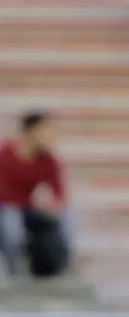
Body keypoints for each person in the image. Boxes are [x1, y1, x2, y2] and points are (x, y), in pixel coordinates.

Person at [0, 112, 71, 278]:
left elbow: (59, 191)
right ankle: (14, 271)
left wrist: (55, 205)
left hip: (28, 208)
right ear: (31, 131)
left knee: (67, 217)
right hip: (5, 207)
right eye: (47, 130)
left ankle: (61, 265)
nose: (51, 136)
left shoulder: (48, 160)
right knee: (11, 223)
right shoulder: (4, 154)